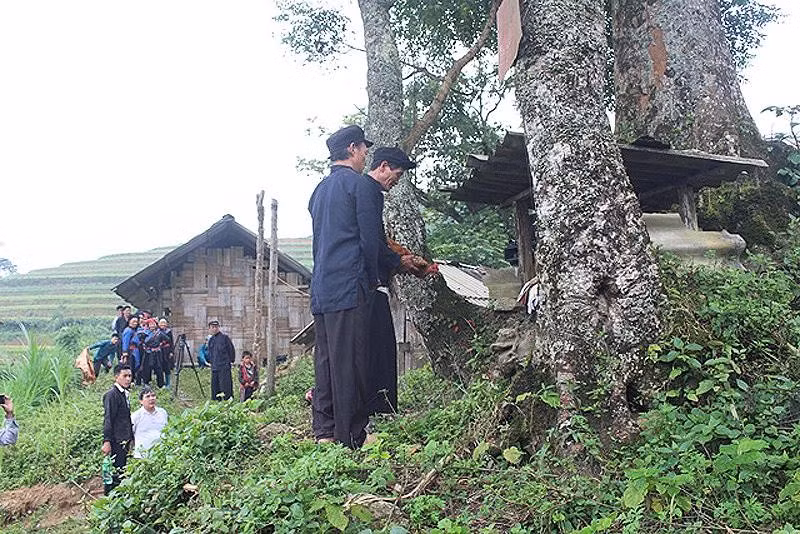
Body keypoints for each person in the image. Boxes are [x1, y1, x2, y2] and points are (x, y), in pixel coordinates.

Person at [308, 125, 404, 448]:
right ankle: (351, 437)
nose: (365, 155)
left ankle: (324, 431)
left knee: (326, 361)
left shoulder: (319, 191)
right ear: (353, 148)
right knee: (351, 362)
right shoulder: (360, 186)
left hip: (322, 287)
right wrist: (372, 280)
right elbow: (369, 242)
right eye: (364, 149)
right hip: (350, 286)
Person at [365, 147, 420, 415]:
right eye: (396, 175)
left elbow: (379, 241)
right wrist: (398, 261)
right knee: (379, 351)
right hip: (369, 285)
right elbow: (373, 243)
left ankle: (380, 408)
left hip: (370, 283)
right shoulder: (368, 192)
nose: (396, 181)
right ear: (383, 166)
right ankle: (380, 410)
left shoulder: (370, 194)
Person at [102, 365, 133, 495]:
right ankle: (111, 498)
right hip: (116, 440)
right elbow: (108, 419)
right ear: (116, 377)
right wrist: (107, 441)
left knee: (121, 469)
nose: (128, 379)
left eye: (130, 376)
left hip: (124, 439)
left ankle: (118, 496)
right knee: (115, 471)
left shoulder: (123, 394)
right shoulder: (112, 395)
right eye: (124, 376)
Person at [130, 386, 168, 459]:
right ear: (141, 401)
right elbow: (130, 435)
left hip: (161, 455)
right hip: (142, 456)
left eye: (153, 396)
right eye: (147, 396)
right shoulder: (136, 416)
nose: (151, 398)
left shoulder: (163, 412)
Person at [207, 320, 235, 400]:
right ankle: (216, 401)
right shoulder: (211, 340)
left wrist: (231, 361)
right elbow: (210, 353)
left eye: (216, 327)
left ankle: (228, 401)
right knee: (215, 386)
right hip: (214, 367)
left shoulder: (225, 338)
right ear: (209, 329)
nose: (214, 329)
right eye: (212, 327)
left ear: (219, 328)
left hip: (224, 366)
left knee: (225, 386)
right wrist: (211, 362)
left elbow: (231, 350)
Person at [141, 320, 167, 387]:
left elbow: (167, 339)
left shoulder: (159, 333)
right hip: (148, 353)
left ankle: (160, 384)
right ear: (148, 325)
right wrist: (145, 346)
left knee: (159, 368)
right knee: (147, 368)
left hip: (157, 353)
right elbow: (141, 340)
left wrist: (161, 344)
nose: (152, 326)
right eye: (150, 324)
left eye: (153, 324)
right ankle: (146, 383)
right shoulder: (145, 333)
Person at [121, 316, 141, 380]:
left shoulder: (134, 330)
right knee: (131, 367)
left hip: (135, 350)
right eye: (133, 321)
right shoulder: (128, 330)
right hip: (131, 352)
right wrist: (125, 354)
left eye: (136, 322)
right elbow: (125, 342)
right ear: (129, 321)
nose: (135, 323)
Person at [158, 318, 175, 388]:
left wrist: (171, 351)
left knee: (167, 367)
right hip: (159, 351)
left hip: (167, 351)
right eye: (161, 323)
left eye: (164, 323)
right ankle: (161, 383)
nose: (163, 324)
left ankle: (168, 383)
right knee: (159, 367)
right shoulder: (157, 332)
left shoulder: (169, 331)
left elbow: (171, 342)